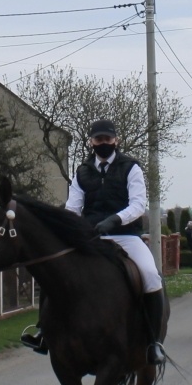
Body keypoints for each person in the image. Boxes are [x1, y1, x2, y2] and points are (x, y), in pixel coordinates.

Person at [22, 118, 167, 366]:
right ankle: (43, 332)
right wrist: (68, 226)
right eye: (98, 140)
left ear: (116, 140)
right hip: (90, 236)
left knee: (150, 274)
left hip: (125, 235)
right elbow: (73, 207)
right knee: (56, 272)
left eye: (107, 139)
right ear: (91, 142)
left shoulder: (131, 167)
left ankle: (153, 343)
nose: (103, 143)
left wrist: (114, 220)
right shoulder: (83, 171)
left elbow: (138, 204)